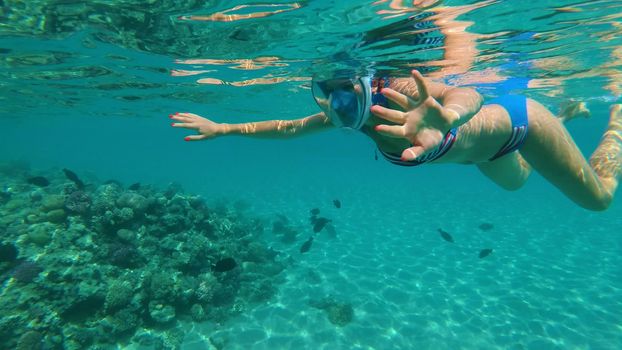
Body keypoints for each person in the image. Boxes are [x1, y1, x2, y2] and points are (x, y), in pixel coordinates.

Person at [170, 69, 622, 211]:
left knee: (599, 199)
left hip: (521, 123)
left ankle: (617, 118)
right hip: (484, 156)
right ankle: (569, 112)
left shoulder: (399, 94)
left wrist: (452, 113)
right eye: (324, 98)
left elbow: (466, 92)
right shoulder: (349, 115)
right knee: (520, 181)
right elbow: (288, 128)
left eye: (342, 99)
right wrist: (223, 128)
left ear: (365, 87)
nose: (331, 109)